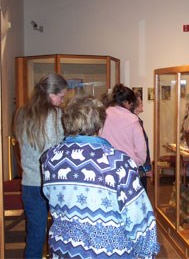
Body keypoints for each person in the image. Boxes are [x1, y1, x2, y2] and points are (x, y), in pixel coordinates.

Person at [41, 95, 160, 258]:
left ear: (67, 123)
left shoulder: (49, 158)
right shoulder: (120, 163)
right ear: (100, 125)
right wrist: (147, 254)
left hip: (63, 250)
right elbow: (139, 220)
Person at [14, 73, 67, 258]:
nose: (62, 101)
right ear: (52, 94)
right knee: (61, 234)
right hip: (52, 183)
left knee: (35, 235)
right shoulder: (56, 114)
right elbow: (57, 149)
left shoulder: (21, 112)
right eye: (61, 96)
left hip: (29, 183)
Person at [100, 83, 147, 167]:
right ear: (127, 102)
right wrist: (137, 162)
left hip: (105, 163)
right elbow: (141, 151)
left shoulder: (102, 115)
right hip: (127, 164)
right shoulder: (133, 120)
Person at [131, 90, 152, 191]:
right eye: (140, 102)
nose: (142, 103)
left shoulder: (136, 121)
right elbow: (141, 148)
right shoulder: (134, 122)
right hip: (138, 167)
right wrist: (147, 168)